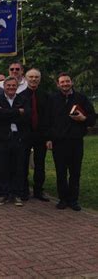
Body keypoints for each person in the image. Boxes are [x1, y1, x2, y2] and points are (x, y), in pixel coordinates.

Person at [46, 73, 96, 211]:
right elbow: (48, 120)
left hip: (75, 141)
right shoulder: (53, 99)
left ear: (71, 82)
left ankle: (73, 200)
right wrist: (49, 138)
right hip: (58, 142)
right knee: (60, 172)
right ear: (58, 84)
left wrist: (83, 119)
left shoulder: (81, 98)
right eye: (62, 82)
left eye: (67, 81)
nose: (65, 84)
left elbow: (92, 118)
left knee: (75, 172)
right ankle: (62, 199)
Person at [0, 77, 30, 206]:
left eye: (14, 85)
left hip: (18, 138)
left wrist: (7, 113)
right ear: (4, 87)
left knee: (18, 166)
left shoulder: (23, 99)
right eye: (8, 86)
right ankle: (3, 193)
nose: (11, 88)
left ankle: (17, 194)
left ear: (17, 86)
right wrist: (17, 112)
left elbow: (26, 117)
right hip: (3, 138)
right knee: (3, 166)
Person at [18, 68, 49, 201]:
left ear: (40, 79)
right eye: (31, 77)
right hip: (25, 135)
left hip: (41, 135)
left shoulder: (46, 96)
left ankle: (38, 191)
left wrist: (48, 137)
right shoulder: (20, 96)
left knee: (40, 164)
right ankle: (24, 190)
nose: (33, 79)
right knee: (23, 163)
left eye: (36, 77)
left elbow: (49, 117)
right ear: (26, 78)